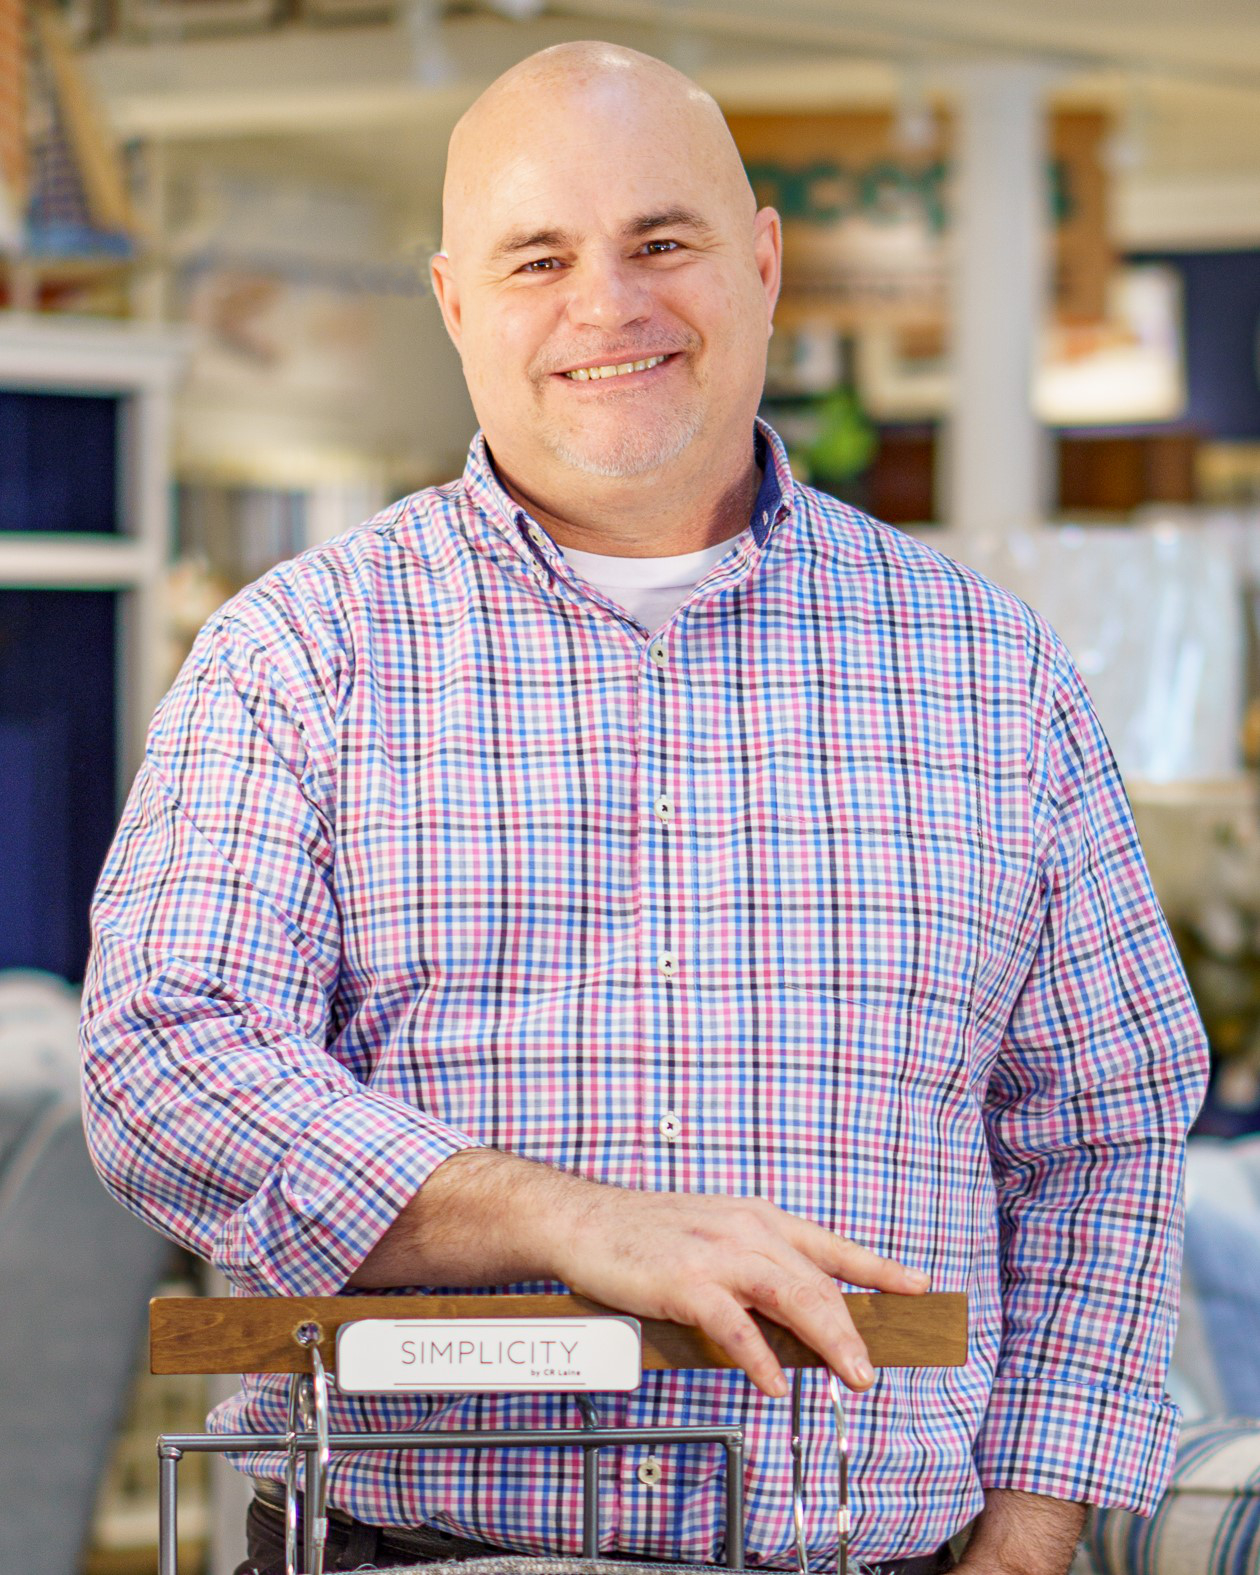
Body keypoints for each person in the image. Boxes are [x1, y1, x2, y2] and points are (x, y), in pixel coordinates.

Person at [80, 40, 1208, 1575]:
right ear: (454, 303)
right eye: (538, 256)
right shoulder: (302, 657)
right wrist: (564, 1220)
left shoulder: (991, 672)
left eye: (659, 243)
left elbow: (1107, 1125)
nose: (606, 306)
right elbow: (165, 1060)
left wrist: (1029, 1530)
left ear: (760, 261)